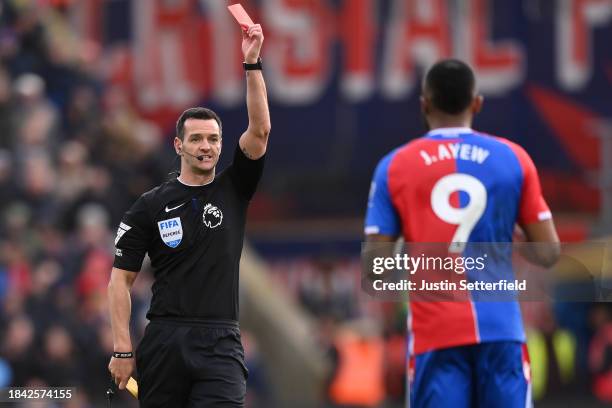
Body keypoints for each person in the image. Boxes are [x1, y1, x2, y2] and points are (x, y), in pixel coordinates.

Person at [363, 59, 560, 407]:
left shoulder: (394, 166)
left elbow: (374, 269)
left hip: (434, 336)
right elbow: (548, 252)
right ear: (477, 103)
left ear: (424, 105)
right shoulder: (513, 158)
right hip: (501, 331)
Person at [107, 23, 270, 407]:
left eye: (213, 139)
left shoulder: (235, 188)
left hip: (220, 341)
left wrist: (252, 63)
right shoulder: (149, 205)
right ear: (179, 145)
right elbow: (119, 281)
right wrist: (122, 348)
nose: (206, 146)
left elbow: (260, 130)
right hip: (165, 340)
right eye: (196, 138)